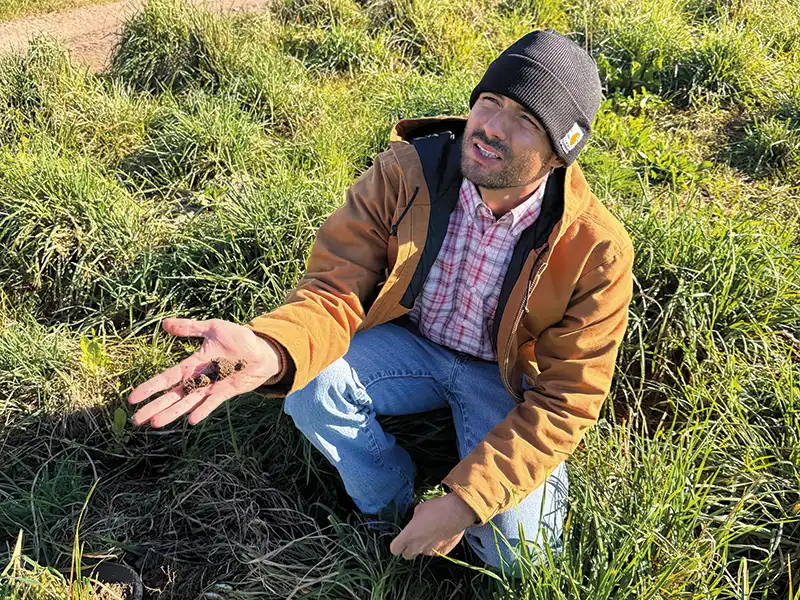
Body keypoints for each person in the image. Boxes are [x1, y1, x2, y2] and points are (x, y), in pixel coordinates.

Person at [128, 28, 634, 575]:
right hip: (408, 345)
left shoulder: (595, 249)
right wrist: (274, 349)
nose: (491, 129)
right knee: (309, 383)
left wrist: (465, 503)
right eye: (490, 102)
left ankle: (456, 510)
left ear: (562, 152)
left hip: (504, 380)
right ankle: (388, 506)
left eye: (526, 121)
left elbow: (567, 400)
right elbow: (334, 286)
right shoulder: (405, 173)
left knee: (521, 560)